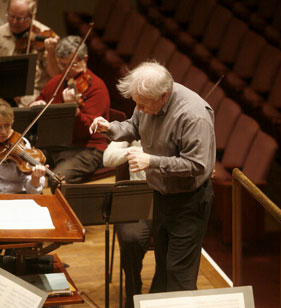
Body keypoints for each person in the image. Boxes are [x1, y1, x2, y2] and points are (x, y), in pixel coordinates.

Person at [90, 61, 215, 295]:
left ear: (163, 96)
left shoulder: (193, 116)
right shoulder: (148, 100)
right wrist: (109, 128)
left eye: (143, 104)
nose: (139, 108)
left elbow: (198, 165)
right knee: (164, 269)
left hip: (189, 201)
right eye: (136, 103)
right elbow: (134, 126)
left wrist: (151, 161)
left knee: (180, 275)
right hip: (161, 195)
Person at [30, 35, 110, 193]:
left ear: (84, 59)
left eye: (71, 65)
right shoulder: (58, 81)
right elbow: (40, 99)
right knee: (23, 162)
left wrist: (73, 110)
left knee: (58, 178)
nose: (66, 72)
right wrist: (35, 105)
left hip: (88, 149)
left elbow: (88, 131)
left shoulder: (97, 88)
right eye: (62, 65)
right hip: (58, 145)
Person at [103, 140, 158, 308]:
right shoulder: (130, 132)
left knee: (173, 241)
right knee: (131, 239)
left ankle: (157, 294)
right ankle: (133, 293)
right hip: (136, 204)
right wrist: (133, 151)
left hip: (165, 203)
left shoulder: (170, 129)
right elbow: (107, 159)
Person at [0, 0, 60, 107]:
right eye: (11, 16)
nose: (14, 22)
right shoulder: (1, 33)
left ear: (31, 16)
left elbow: (55, 75)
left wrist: (51, 52)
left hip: (33, 100)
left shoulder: (45, 34)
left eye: (20, 18)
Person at [0, 98, 46, 194]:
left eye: (7, 125)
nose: (3, 132)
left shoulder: (21, 144)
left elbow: (33, 192)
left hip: (19, 195)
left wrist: (35, 179)